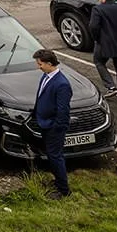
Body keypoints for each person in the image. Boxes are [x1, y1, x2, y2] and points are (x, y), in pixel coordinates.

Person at [33, 48, 73, 198]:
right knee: (51, 156)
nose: (39, 66)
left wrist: (55, 127)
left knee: (56, 157)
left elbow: (63, 110)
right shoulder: (46, 76)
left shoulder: (62, 84)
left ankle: (63, 190)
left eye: (40, 64)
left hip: (54, 128)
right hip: (45, 123)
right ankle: (57, 181)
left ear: (49, 63)